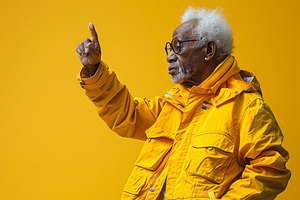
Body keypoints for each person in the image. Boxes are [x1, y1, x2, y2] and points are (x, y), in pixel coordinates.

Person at [76, 7, 291, 200]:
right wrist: (95, 71)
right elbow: (127, 116)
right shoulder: (173, 103)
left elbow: (270, 170)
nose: (170, 56)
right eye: (169, 47)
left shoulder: (247, 107)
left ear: (209, 51)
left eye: (178, 46)